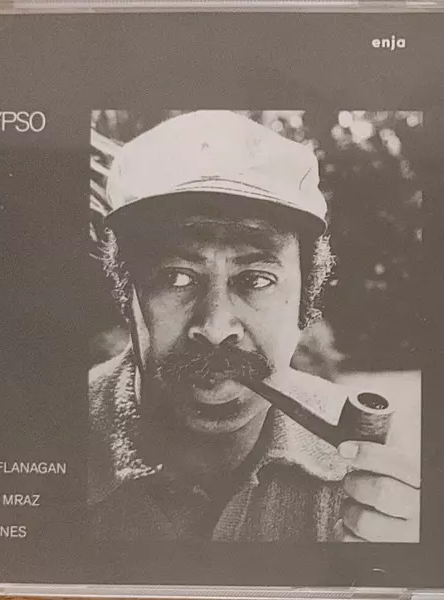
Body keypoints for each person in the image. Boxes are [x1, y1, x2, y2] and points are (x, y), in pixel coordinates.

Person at [87, 111, 420, 542]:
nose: (215, 327)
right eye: (176, 276)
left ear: (305, 302)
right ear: (126, 294)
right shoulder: (51, 444)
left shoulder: (374, 474)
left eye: (257, 279)